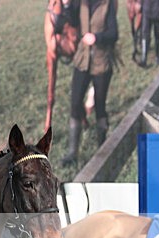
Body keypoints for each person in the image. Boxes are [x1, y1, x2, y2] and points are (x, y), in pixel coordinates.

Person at [58, 0, 119, 166]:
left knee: (100, 106)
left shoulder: (108, 5)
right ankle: (72, 152)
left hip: (101, 64)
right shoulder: (81, 3)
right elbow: (72, 21)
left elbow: (114, 34)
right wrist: (67, 5)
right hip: (82, 61)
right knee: (75, 103)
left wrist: (97, 37)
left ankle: (102, 150)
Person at [138, 0, 159, 67]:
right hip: (146, 10)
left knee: (157, 34)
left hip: (157, 10)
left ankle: (157, 57)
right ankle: (144, 59)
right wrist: (140, 4)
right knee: (145, 34)